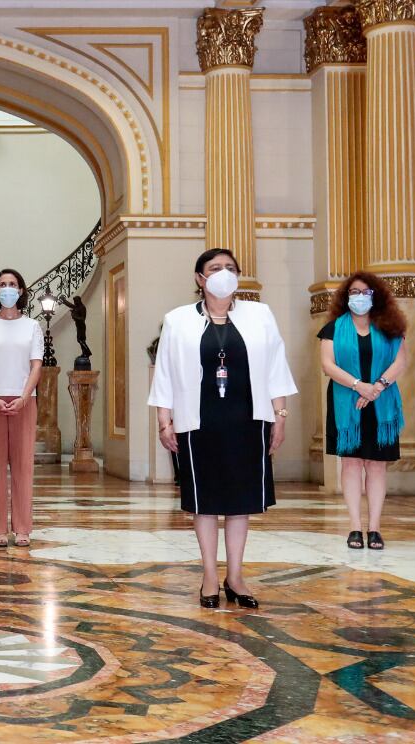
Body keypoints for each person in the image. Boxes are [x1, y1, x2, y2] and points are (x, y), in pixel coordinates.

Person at [149, 248, 297, 610]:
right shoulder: (178, 320)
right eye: (215, 268)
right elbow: (165, 372)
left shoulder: (260, 315)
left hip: (248, 419)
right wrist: (164, 421)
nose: (223, 273)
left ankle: (236, 576)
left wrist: (280, 416)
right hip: (198, 421)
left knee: (239, 503)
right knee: (205, 502)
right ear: (200, 278)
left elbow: (276, 367)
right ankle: (210, 578)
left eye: (230, 268)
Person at [319, 272, 407, 551]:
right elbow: (328, 365)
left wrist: (376, 388)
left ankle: (375, 528)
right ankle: (355, 526)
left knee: (377, 465)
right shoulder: (333, 328)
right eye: (354, 292)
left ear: (376, 296)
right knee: (351, 463)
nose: (359, 297)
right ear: (346, 297)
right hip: (347, 402)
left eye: (365, 292)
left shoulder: (390, 327)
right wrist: (360, 386)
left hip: (381, 402)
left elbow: (400, 362)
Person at [0, 269, 43, 548]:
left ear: (21, 290)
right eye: (2, 284)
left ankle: (23, 527)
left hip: (24, 401)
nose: (7, 289)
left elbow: (36, 365)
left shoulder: (32, 326)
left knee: (23, 466)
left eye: (12, 284)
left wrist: (24, 397)